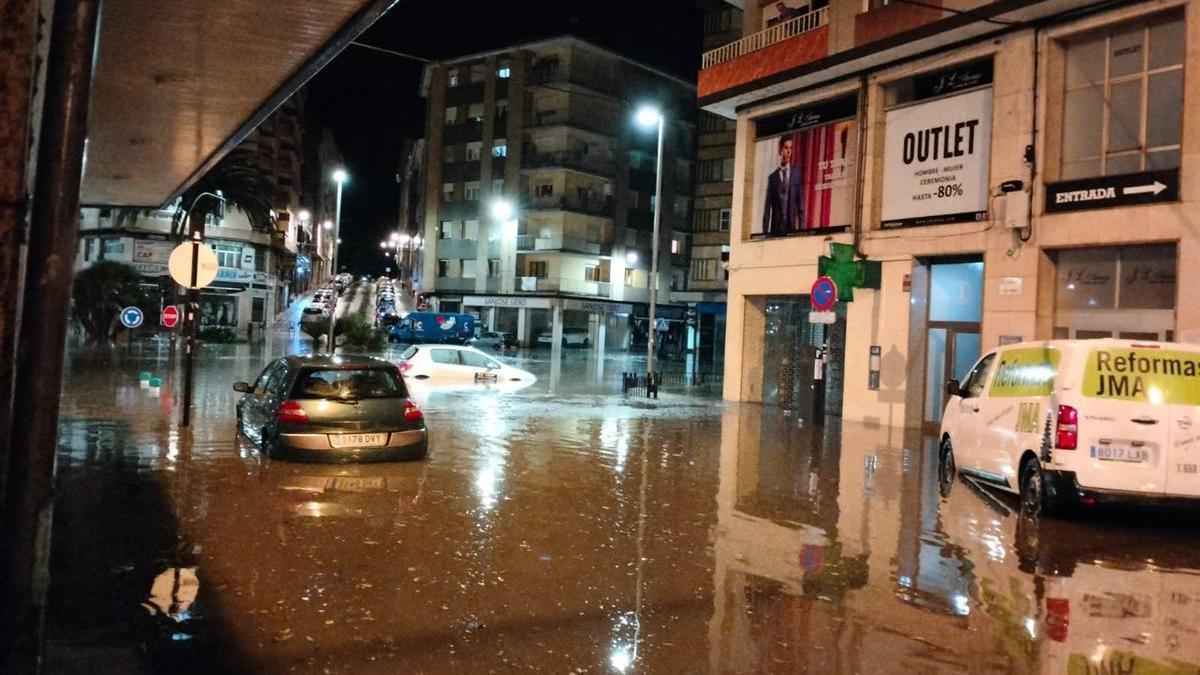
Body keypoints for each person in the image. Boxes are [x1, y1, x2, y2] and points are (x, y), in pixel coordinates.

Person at [762, 136, 804, 236]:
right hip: (775, 230)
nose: (789, 151)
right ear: (780, 150)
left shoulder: (796, 173)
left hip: (791, 229)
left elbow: (801, 205)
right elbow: (767, 207)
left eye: (791, 148)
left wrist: (802, 231)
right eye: (786, 148)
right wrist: (764, 232)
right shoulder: (772, 178)